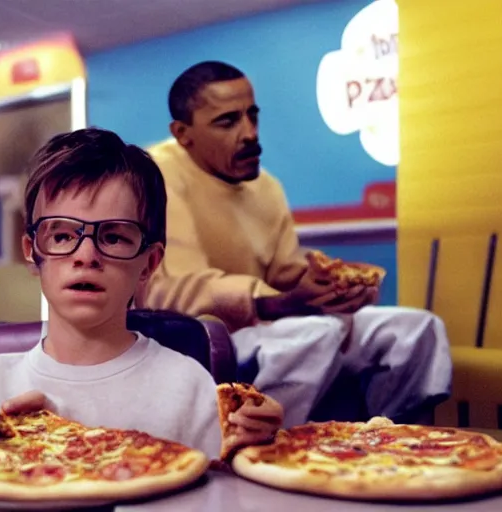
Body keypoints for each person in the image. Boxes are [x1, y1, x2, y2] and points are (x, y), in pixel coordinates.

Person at [0, 127, 282, 459]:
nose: (86, 255)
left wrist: (259, 450)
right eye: (62, 235)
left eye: (113, 236)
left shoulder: (191, 387)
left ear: (148, 262)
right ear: (32, 251)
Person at [136, 61, 452, 428]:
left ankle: (389, 442)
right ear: (182, 133)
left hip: (272, 328)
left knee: (416, 328)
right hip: (200, 338)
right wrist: (274, 302)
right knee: (317, 333)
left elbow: (285, 272)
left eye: (252, 116)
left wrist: (331, 289)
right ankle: (262, 450)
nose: (249, 133)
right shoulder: (156, 176)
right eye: (228, 122)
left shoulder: (267, 186)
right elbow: (171, 292)